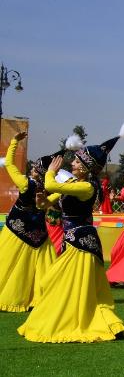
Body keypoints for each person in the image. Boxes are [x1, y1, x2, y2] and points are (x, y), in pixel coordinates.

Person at [18, 122, 124, 342]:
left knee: (62, 282)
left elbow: (53, 186)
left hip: (82, 244)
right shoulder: (74, 183)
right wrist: (41, 199)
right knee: (60, 282)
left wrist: (51, 172)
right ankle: (76, 318)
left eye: (76, 161)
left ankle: (79, 321)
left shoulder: (86, 187)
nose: (72, 163)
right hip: (73, 242)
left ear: (85, 167)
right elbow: (46, 203)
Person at [0, 132, 58, 312]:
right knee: (40, 268)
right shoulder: (50, 188)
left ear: (36, 171)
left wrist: (14, 142)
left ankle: (12, 296)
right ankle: (43, 298)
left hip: (16, 231)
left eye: (34, 166)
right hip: (38, 234)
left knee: (9, 264)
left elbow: (9, 164)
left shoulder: (26, 184)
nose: (31, 167)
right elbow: (53, 199)